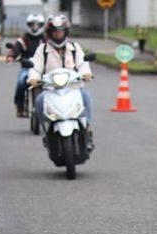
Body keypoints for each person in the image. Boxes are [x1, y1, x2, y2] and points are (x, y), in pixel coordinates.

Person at [27, 14, 95, 148]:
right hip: (51, 89)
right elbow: (36, 66)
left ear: (66, 32)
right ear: (49, 33)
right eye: (55, 32)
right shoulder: (42, 50)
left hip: (74, 87)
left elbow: (82, 63)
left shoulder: (75, 48)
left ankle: (87, 129)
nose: (58, 34)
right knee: (39, 101)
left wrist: (86, 73)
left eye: (60, 31)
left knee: (86, 96)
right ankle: (47, 133)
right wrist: (33, 78)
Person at [6, 13, 46, 118]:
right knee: (20, 82)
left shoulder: (46, 40)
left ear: (41, 25)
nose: (35, 27)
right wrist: (11, 56)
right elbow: (15, 50)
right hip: (27, 68)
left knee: (56, 83)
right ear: (28, 25)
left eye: (37, 25)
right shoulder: (22, 40)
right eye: (32, 24)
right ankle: (20, 107)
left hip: (43, 69)